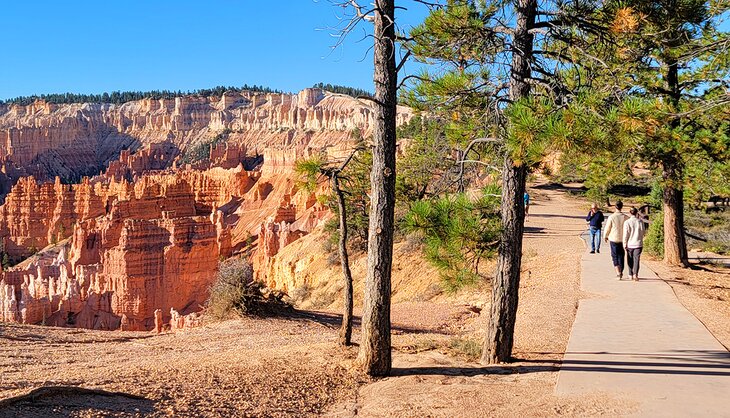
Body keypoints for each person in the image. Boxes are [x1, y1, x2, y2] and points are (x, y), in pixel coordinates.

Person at [603, 200, 628, 279]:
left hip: (613, 238)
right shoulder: (625, 217)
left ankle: (618, 271)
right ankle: (621, 271)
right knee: (621, 255)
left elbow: (607, 228)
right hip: (622, 238)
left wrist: (605, 236)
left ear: (615, 207)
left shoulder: (612, 217)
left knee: (614, 255)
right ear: (621, 207)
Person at [623, 207, 646, 281]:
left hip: (630, 243)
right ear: (636, 213)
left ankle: (630, 274)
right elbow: (643, 232)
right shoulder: (640, 222)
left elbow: (625, 234)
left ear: (630, 213)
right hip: (638, 243)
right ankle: (635, 274)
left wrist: (624, 243)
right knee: (636, 259)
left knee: (629, 259)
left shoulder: (627, 222)